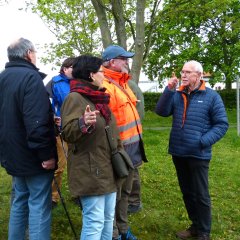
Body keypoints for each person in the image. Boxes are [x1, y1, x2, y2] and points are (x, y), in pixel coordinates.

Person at [155, 60, 229, 240]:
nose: (184, 75)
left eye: (188, 72)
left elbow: (222, 124)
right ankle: (195, 226)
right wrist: (168, 90)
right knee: (187, 192)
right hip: (179, 152)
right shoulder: (177, 94)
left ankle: (204, 231)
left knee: (200, 194)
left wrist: (202, 142)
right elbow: (161, 112)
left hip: (198, 154)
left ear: (199, 75)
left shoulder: (211, 96)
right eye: (182, 72)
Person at [0, 38, 57, 240]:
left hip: (12, 153)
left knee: (20, 201)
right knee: (39, 204)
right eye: (35, 51)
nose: (36, 55)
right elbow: (36, 123)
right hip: (33, 156)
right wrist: (47, 155)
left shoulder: (3, 77)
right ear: (28, 54)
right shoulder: (31, 78)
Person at [61, 54, 119, 240]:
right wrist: (82, 123)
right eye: (102, 71)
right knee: (94, 221)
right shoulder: (75, 98)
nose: (105, 75)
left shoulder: (99, 98)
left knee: (108, 219)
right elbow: (67, 133)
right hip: (89, 168)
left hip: (107, 167)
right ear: (91, 75)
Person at [102, 45, 148, 240]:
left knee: (126, 192)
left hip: (132, 149)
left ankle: (122, 230)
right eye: (124, 59)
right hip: (118, 151)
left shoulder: (123, 83)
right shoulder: (104, 85)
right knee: (115, 194)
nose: (127, 62)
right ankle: (112, 233)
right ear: (113, 62)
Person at [46, 57, 75, 208]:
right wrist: (52, 118)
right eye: (72, 67)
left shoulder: (80, 82)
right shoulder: (54, 83)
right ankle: (53, 197)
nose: (75, 70)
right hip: (61, 130)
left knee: (78, 165)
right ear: (65, 68)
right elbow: (46, 103)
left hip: (78, 130)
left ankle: (79, 194)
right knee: (60, 166)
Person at [127, 80, 145, 214]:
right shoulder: (128, 84)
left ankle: (134, 202)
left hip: (130, 135)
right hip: (130, 134)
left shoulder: (129, 86)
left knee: (131, 169)